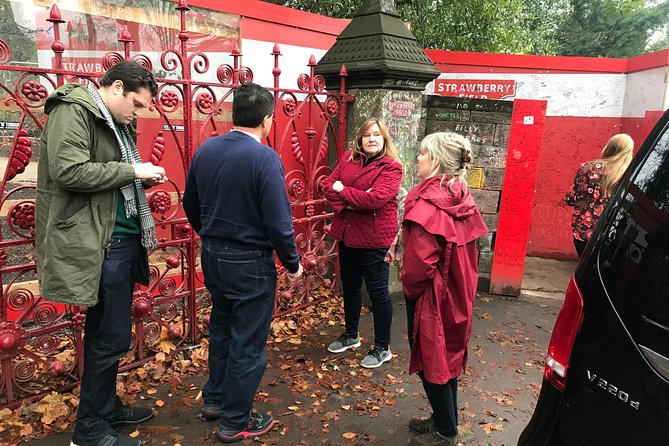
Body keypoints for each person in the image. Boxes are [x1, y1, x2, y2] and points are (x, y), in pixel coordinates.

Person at [35, 61, 167, 446]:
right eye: (138, 104)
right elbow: (69, 172)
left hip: (117, 241)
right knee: (107, 338)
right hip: (98, 242)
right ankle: (89, 431)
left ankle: (106, 409)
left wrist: (135, 171)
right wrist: (134, 172)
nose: (139, 113)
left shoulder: (113, 120)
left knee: (110, 335)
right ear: (117, 87)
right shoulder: (74, 110)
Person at [183, 83, 303, 443]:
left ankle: (216, 400)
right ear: (268, 119)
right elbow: (278, 221)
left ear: (234, 115)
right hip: (250, 261)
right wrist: (293, 263)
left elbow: (191, 201)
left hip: (214, 255)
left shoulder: (207, 149)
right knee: (248, 341)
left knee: (221, 329)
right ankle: (236, 420)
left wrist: (210, 232)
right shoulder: (264, 158)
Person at [400, 132, 488, 446]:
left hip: (432, 295)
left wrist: (409, 289)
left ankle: (446, 431)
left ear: (435, 161)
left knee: (431, 356)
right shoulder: (459, 195)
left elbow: (418, 265)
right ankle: (442, 416)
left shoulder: (429, 205)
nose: (418, 159)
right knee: (446, 354)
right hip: (457, 290)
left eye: (422, 153)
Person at [322, 118, 403, 368]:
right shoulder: (348, 158)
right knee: (351, 286)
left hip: (375, 238)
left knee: (378, 293)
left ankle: (382, 347)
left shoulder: (392, 167)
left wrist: (343, 191)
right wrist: (350, 198)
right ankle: (351, 335)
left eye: (377, 135)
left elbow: (375, 200)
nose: (371, 139)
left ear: (384, 139)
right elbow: (327, 186)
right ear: (360, 138)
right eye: (367, 135)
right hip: (348, 233)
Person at [564, 133, 634, 257]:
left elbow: (571, 198)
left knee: (585, 268)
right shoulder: (629, 174)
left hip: (584, 231)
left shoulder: (588, 168)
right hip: (612, 233)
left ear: (609, 147)